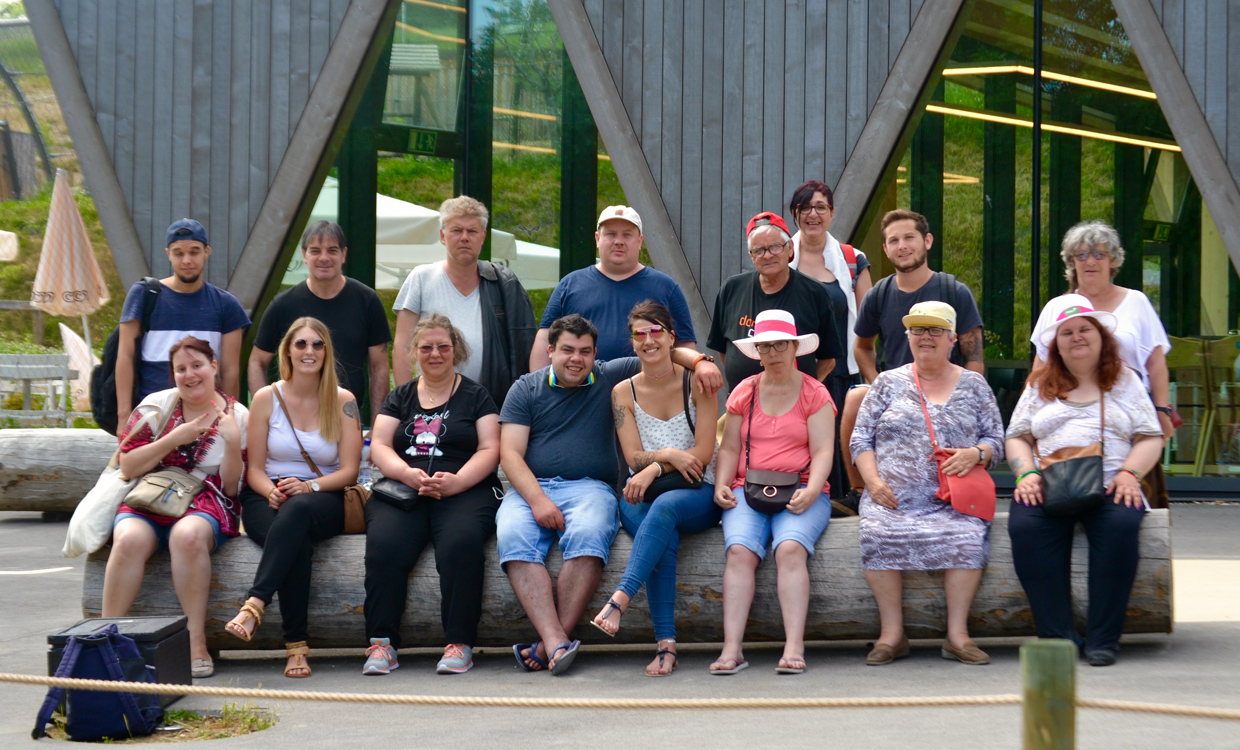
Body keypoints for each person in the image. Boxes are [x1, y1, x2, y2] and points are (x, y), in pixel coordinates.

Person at [498, 314, 721, 675]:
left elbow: (659, 351)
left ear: (595, 354)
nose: (576, 358)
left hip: (591, 488)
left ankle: (558, 638)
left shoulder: (607, 377)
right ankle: (556, 642)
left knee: (588, 535)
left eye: (585, 351)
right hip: (531, 488)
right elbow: (509, 454)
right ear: (550, 351)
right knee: (513, 536)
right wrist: (538, 500)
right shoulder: (525, 388)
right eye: (567, 350)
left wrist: (700, 360)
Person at [1007, 296, 1163, 667]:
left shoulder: (1125, 380)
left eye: (1084, 329)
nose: (1076, 337)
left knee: (1122, 525)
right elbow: (1016, 435)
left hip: (1112, 482)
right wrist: (1026, 473)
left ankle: (1103, 639)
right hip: (1049, 481)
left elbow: (1150, 435)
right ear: (1056, 344)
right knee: (1026, 527)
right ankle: (1058, 636)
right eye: (1067, 332)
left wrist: (1130, 473)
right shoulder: (1039, 384)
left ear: (1101, 336)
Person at [849, 301, 1004, 666]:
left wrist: (976, 454)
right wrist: (872, 482)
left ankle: (957, 635)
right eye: (918, 329)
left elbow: (997, 440)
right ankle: (892, 635)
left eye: (935, 330)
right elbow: (861, 439)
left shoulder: (975, 385)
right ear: (908, 336)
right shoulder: (887, 382)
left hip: (953, 500)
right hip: (892, 498)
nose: (926, 337)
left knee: (966, 535)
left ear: (952, 337)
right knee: (875, 530)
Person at [362, 314, 503, 676]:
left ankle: (459, 642)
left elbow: (490, 449)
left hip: (464, 488)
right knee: (383, 545)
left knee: (461, 543)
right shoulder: (400, 396)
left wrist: (457, 481)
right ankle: (382, 644)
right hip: (405, 488)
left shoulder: (476, 395)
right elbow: (378, 445)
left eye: (443, 346)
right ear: (414, 353)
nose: (435, 353)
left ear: (456, 349)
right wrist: (406, 474)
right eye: (426, 347)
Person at [224, 317, 363, 678]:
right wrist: (272, 491)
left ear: (327, 352)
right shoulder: (266, 398)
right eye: (301, 344)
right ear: (287, 350)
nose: (309, 351)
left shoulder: (343, 400)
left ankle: (255, 603)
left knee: (299, 509)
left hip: (324, 495)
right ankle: (296, 648)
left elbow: (349, 470)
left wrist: (309, 487)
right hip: (265, 495)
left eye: (317, 344)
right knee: (294, 543)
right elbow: (253, 469)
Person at [103, 336, 248, 679]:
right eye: (181, 369)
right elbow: (128, 465)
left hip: (206, 500)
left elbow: (232, 487)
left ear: (213, 367)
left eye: (197, 365)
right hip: (152, 496)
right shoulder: (156, 406)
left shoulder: (237, 414)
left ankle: (195, 640)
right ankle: (106, 637)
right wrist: (173, 438)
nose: (190, 375)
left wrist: (231, 443)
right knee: (127, 540)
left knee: (187, 537)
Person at [590, 301, 720, 676]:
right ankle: (666, 646)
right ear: (631, 342)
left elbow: (702, 454)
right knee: (661, 533)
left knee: (664, 511)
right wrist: (665, 456)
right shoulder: (621, 393)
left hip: (695, 491)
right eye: (640, 334)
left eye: (656, 331)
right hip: (639, 492)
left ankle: (621, 597)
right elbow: (632, 457)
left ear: (670, 336)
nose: (648, 340)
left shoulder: (697, 381)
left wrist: (658, 467)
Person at [710, 310, 835, 675]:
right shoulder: (743, 391)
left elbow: (823, 451)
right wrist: (721, 483)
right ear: (757, 351)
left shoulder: (815, 392)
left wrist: (813, 490)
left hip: (802, 487)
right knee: (738, 552)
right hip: (748, 488)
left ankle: (794, 645)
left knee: (790, 549)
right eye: (765, 346)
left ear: (795, 346)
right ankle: (732, 648)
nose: (773, 352)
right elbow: (729, 447)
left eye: (780, 344)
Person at [840, 210, 985, 501]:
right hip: (896, 393)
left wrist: (964, 397)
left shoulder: (954, 291)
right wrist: (880, 383)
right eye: (894, 240)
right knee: (855, 398)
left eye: (909, 237)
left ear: (927, 241)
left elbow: (975, 357)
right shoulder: (878, 295)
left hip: (944, 391)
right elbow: (862, 347)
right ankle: (859, 490)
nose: (902, 246)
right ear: (885, 249)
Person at [1031, 221, 1174, 508]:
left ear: (1113, 261)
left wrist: (1162, 410)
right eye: (1081, 255)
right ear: (1072, 263)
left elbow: (1156, 364)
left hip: (1130, 413)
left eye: (1099, 254)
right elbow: (1040, 369)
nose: (1090, 261)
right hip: (1071, 415)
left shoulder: (1137, 302)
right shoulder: (1057, 307)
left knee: (1131, 499)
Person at [392, 196, 536, 407]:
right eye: (457, 230)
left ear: (483, 236)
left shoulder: (503, 284)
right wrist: (407, 403)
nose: (464, 238)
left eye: (472, 231)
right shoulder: (421, 278)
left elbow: (523, 348)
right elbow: (402, 346)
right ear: (443, 235)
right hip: (430, 404)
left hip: (490, 406)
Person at [249, 221, 391, 424]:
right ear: (304, 255)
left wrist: (379, 424)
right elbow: (256, 361)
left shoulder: (367, 301)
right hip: (294, 425)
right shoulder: (283, 305)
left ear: (343, 255)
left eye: (332, 250)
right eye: (315, 251)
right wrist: (269, 415)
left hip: (347, 420)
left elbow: (379, 367)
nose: (324, 258)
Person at [787, 181, 873, 514]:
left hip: (839, 374)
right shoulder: (779, 257)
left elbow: (867, 326)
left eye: (820, 207)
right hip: (793, 374)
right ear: (795, 214)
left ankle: (842, 503)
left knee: (838, 442)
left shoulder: (852, 260)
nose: (813, 214)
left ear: (832, 213)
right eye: (805, 207)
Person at [115, 219, 250, 429]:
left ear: (207, 252)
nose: (187, 260)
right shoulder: (143, 295)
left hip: (206, 421)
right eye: (179, 253)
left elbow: (230, 370)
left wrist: (230, 416)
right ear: (168, 254)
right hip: (151, 418)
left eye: (194, 252)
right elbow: (125, 357)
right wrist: (124, 416)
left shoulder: (227, 305)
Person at [530, 206, 697, 368]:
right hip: (581, 393)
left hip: (650, 393)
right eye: (611, 234)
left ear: (640, 241)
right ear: (597, 239)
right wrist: (542, 391)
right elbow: (545, 340)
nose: (619, 241)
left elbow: (684, 344)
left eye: (627, 235)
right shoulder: (570, 285)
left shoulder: (666, 287)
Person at [707, 212, 843, 390]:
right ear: (751, 255)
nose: (768, 255)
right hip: (744, 405)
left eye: (775, 247)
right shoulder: (731, 289)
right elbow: (724, 350)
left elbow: (828, 359)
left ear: (790, 248)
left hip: (796, 406)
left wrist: (804, 392)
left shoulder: (815, 293)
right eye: (759, 250)